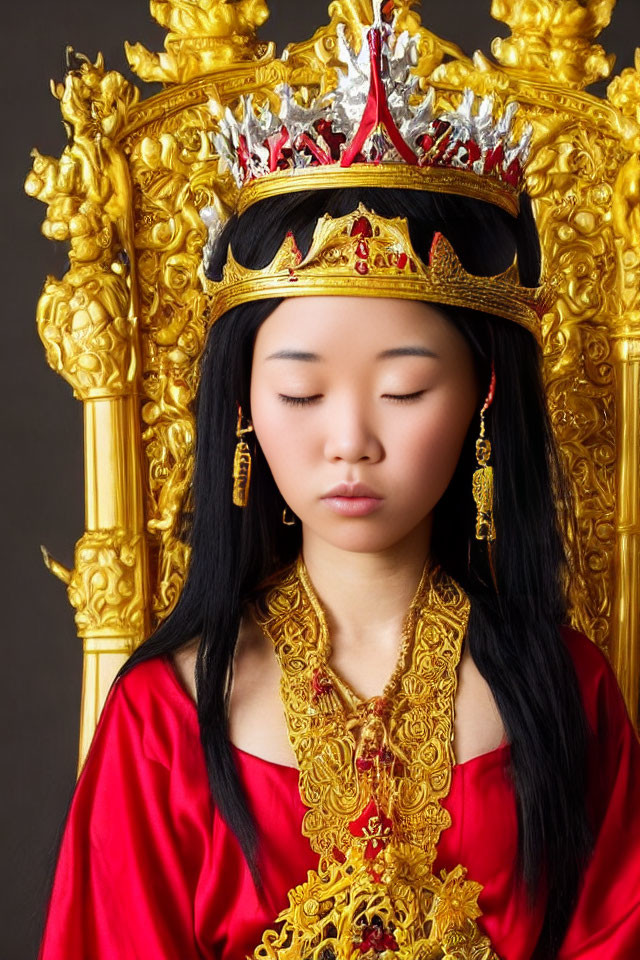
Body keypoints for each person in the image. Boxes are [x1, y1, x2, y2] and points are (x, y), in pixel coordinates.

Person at [37, 4, 640, 959]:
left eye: (404, 389)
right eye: (302, 391)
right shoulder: (163, 719)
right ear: (243, 404)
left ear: (484, 398)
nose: (350, 439)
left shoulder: (568, 694)